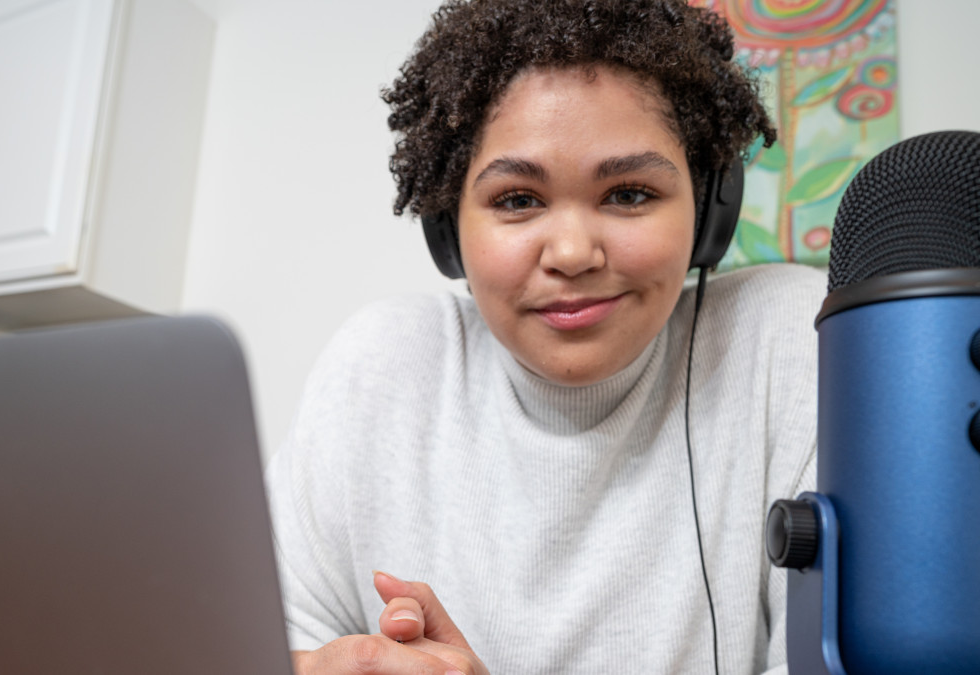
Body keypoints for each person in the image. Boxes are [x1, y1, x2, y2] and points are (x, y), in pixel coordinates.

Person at [266, 0, 826, 672]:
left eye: (628, 193)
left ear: (710, 210)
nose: (571, 252)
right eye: (518, 200)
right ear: (449, 229)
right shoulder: (379, 367)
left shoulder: (790, 342)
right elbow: (254, 640)